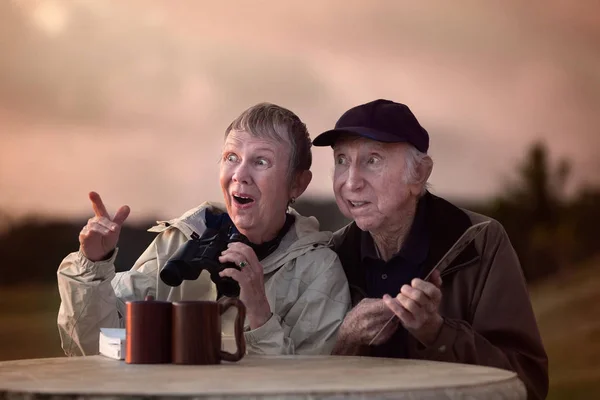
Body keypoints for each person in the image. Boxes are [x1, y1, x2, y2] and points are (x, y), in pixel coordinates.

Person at [57, 102, 351, 357]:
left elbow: (309, 387)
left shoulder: (318, 271)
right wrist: (92, 268)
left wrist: (259, 312)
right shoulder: (180, 242)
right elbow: (98, 346)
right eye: (231, 158)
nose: (240, 175)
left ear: (298, 184)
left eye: (261, 161)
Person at [312, 99, 548, 400]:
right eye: (342, 160)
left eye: (373, 160)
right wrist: (346, 338)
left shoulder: (479, 242)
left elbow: (527, 384)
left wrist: (437, 333)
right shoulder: (330, 256)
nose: (351, 181)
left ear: (419, 174)